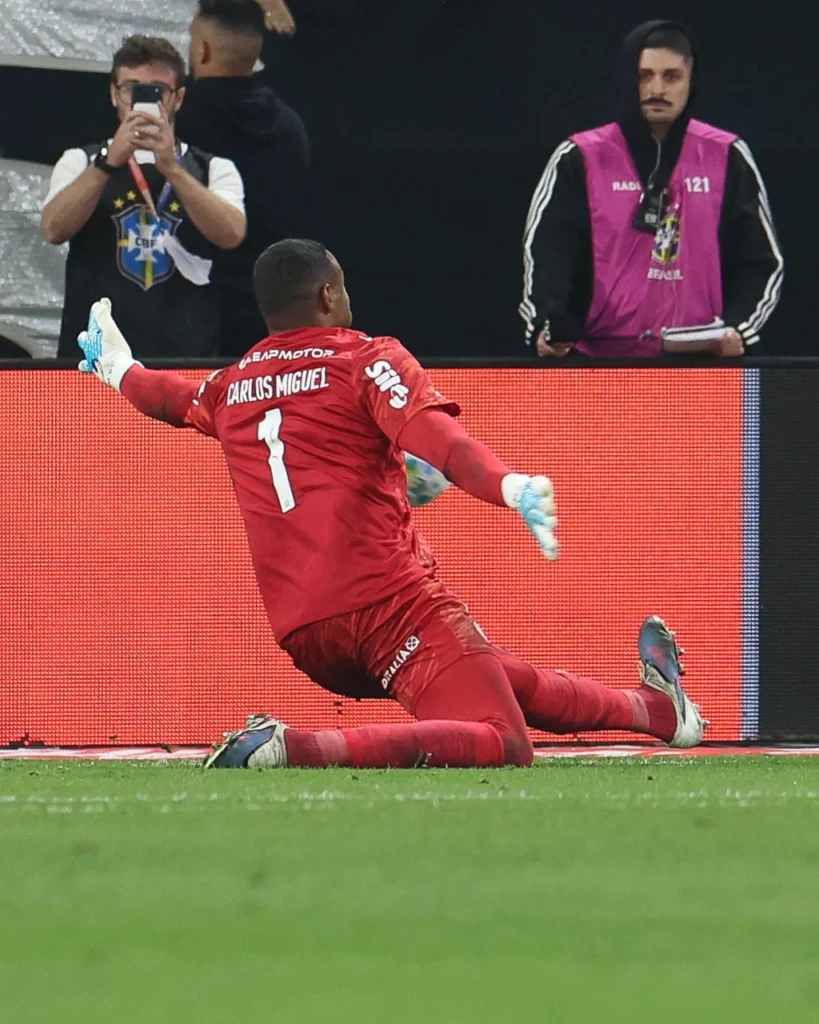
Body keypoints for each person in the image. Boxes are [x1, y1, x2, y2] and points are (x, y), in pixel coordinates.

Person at [77, 238, 705, 769]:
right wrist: (510, 486)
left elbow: (166, 396)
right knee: (505, 738)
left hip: (305, 636)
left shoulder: (234, 386)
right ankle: (293, 747)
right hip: (388, 606)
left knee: (492, 674)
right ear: (328, 296)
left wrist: (117, 367)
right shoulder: (364, 358)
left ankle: (656, 711)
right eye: (342, 288)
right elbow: (443, 443)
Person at [520, 20, 784, 359]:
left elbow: (762, 261)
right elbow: (547, 255)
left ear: (691, 80)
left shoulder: (728, 155)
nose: (656, 88)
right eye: (645, 75)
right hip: (598, 361)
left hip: (702, 364)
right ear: (628, 79)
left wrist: (739, 328)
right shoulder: (579, 157)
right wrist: (545, 323)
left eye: (671, 76)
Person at [42, 35, 247, 360]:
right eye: (131, 88)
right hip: (97, 357)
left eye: (156, 91)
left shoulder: (212, 167)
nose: (141, 100)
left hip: (185, 355)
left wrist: (173, 170)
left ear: (178, 99)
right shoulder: (80, 160)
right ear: (114, 95)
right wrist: (108, 163)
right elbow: (54, 229)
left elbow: (231, 234)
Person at [177, 0, 310, 357]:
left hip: (190, 311)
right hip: (269, 310)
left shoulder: (177, 124)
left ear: (201, 49)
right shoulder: (290, 126)